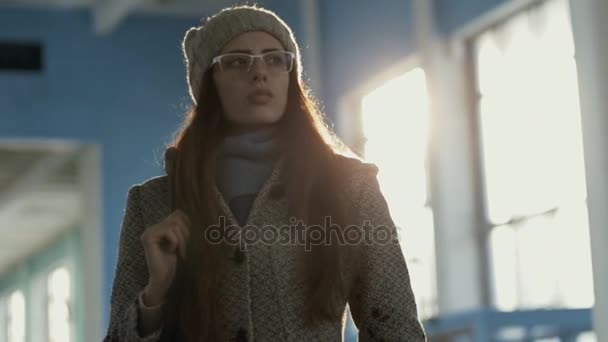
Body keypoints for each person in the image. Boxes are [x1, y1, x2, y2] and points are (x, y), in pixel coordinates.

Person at [104, 5, 426, 342]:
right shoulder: (153, 203)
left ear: (291, 77)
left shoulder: (351, 188)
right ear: (208, 82)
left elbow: (396, 328)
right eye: (237, 61)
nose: (259, 73)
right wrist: (155, 294)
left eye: (275, 59)